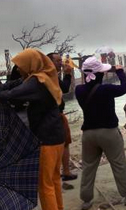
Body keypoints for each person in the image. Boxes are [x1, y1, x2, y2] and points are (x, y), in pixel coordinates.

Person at [0, 48, 65, 210]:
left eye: (21, 65)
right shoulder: (46, 76)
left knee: (45, 187)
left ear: (31, 64)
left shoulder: (38, 81)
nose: (18, 69)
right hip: (58, 136)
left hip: (46, 139)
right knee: (54, 180)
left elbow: (15, 93)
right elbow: (11, 85)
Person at [75, 56, 126, 210]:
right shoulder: (107, 89)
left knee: (88, 167)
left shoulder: (78, 90)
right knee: (118, 163)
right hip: (108, 132)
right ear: (100, 74)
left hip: (88, 133)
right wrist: (120, 71)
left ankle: (86, 200)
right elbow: (125, 87)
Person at [47, 52, 77, 185]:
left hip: (49, 115)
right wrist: (68, 74)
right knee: (64, 142)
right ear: (49, 62)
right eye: (57, 61)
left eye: (61, 60)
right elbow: (64, 88)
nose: (60, 63)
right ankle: (65, 171)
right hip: (56, 114)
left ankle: (57, 171)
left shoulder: (45, 75)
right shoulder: (50, 75)